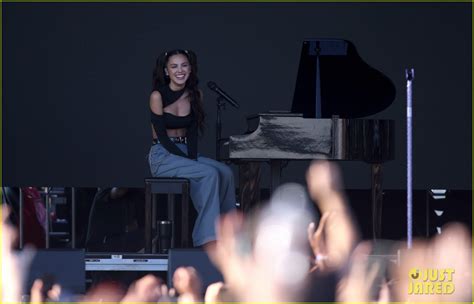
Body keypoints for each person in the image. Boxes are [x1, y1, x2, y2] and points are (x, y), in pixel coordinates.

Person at [148, 49, 236, 248]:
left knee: (226, 172)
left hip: (185, 151)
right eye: (174, 66)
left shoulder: (196, 94)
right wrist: (189, 160)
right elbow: (162, 136)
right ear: (166, 71)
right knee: (209, 173)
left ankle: (229, 232)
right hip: (163, 155)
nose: (180, 70)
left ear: (190, 68)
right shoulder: (157, 96)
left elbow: (193, 133)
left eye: (184, 65)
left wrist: (192, 156)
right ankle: (208, 238)